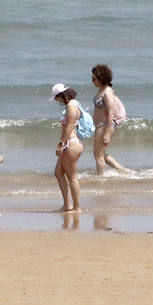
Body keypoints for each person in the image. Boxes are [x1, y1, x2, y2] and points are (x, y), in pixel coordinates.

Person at [51, 84, 85, 213]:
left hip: (71, 143)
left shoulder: (71, 105)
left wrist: (61, 143)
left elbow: (70, 126)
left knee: (72, 176)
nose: (57, 101)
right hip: (69, 143)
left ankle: (76, 207)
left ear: (62, 95)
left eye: (57, 98)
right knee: (58, 173)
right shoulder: (72, 105)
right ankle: (67, 204)